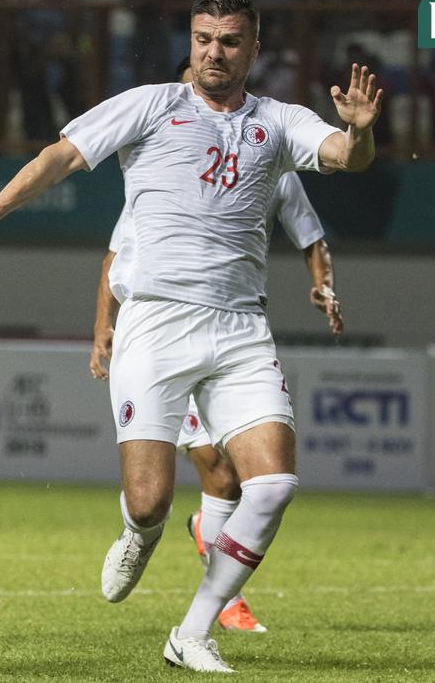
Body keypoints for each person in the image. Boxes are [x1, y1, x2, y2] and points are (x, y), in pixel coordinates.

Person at [0, 0, 381, 673]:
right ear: (191, 41)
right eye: (203, 38)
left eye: (229, 41)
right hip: (155, 321)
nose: (213, 52)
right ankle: (139, 533)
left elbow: (349, 158)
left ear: (253, 49)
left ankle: (192, 633)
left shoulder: (278, 121)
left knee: (271, 486)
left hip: (240, 327)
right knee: (149, 503)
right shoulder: (151, 105)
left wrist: (359, 132)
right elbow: (60, 156)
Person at [89, 56, 346, 637]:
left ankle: (215, 596)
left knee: (237, 479)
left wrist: (323, 284)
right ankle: (150, 531)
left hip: (231, 329)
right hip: (159, 332)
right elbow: (115, 258)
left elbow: (311, 236)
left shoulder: (271, 156)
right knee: (189, 480)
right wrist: (103, 327)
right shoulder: (158, 165)